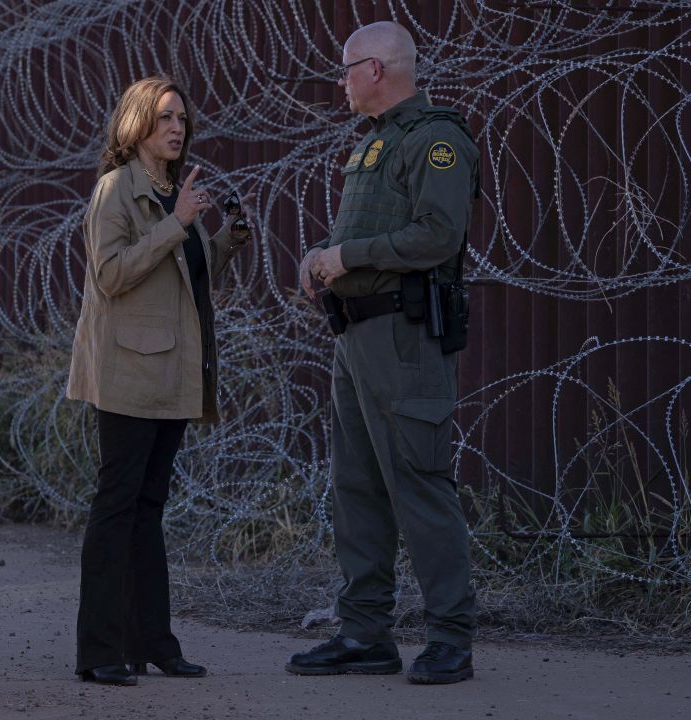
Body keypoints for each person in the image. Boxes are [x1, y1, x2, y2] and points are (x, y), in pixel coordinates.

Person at [287, 21, 480, 685]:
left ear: (375, 71)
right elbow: (370, 234)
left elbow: (435, 236)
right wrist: (326, 265)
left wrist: (347, 256)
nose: (339, 82)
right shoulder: (373, 145)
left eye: (346, 69)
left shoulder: (437, 140)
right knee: (358, 487)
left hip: (404, 338)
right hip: (357, 335)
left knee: (418, 482)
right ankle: (365, 631)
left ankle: (451, 636)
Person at [66, 75, 251, 686]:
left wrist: (224, 240)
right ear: (136, 125)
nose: (178, 128)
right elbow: (113, 273)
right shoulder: (116, 190)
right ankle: (98, 651)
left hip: (171, 373)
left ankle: (154, 645)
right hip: (126, 373)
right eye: (166, 117)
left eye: (182, 120)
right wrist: (177, 223)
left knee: (149, 510)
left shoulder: (175, 191)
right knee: (117, 507)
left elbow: (182, 274)